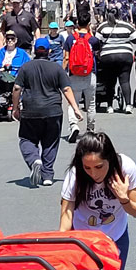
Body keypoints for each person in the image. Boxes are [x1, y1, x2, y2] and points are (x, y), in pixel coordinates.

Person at [59, 132, 136, 270]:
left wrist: (123, 198)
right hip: (83, 240)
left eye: (99, 167)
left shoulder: (125, 167)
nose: (94, 173)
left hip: (115, 237)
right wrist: (62, 243)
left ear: (109, 160)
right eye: (87, 168)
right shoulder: (75, 175)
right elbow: (66, 213)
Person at [13, 37, 83, 188]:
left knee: (26, 139)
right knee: (50, 142)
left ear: (34, 51)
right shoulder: (56, 68)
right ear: (49, 51)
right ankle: (47, 175)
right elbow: (66, 89)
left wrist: (15, 108)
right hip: (53, 110)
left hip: (31, 110)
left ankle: (34, 160)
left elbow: (17, 88)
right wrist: (75, 108)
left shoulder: (26, 67)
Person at [64, 14, 101, 143]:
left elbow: (66, 57)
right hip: (89, 74)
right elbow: (97, 54)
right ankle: (90, 129)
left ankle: (74, 126)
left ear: (77, 24)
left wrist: (64, 72)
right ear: (88, 24)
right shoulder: (93, 40)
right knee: (90, 104)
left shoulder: (70, 39)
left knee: (73, 103)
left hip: (74, 74)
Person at [96, 11, 136, 114]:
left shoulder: (102, 27)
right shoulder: (127, 26)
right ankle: (128, 105)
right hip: (125, 55)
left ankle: (110, 106)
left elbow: (96, 41)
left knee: (110, 82)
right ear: (120, 15)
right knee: (125, 81)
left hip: (108, 56)